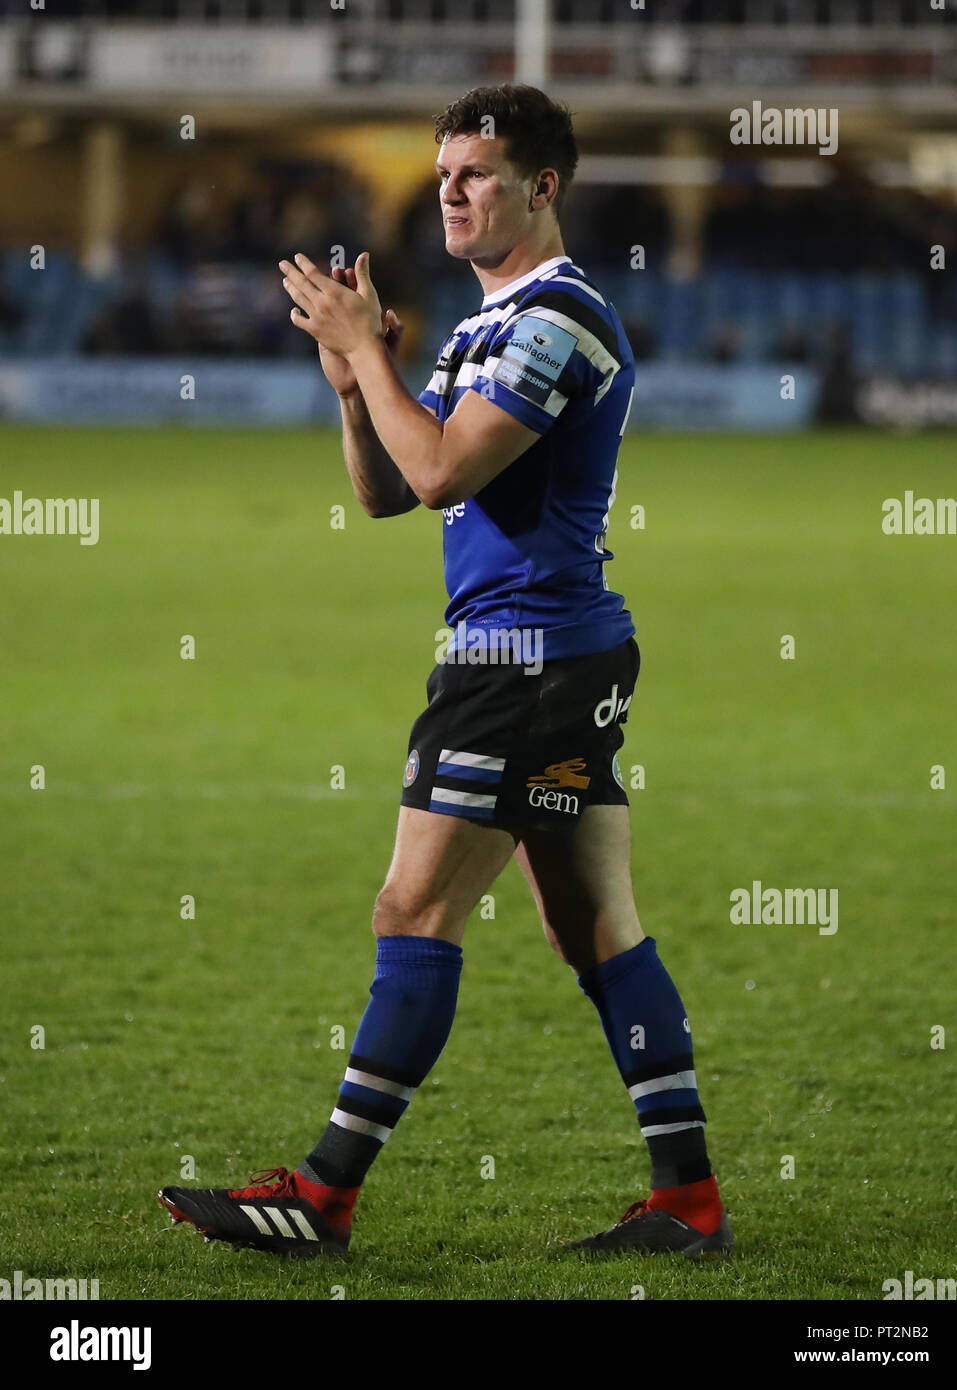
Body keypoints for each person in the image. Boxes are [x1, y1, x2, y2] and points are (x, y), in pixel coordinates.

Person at [158, 84, 733, 1261]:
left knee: (413, 907)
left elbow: (442, 477)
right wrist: (350, 386)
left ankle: (322, 1195)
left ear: (542, 186)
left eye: (476, 172)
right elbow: (384, 484)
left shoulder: (556, 320)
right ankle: (687, 1200)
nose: (451, 191)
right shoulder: (483, 327)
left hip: (521, 661)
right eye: (443, 174)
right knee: (591, 926)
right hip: (547, 656)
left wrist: (370, 349)